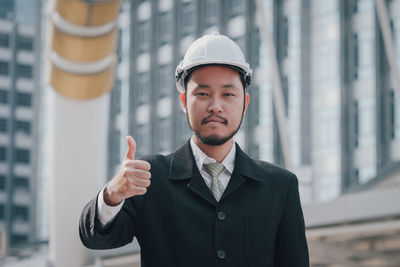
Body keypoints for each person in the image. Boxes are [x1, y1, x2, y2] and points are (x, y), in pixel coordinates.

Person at [79, 32, 309, 267]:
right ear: (183, 102)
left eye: (228, 94)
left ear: (245, 104)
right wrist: (112, 194)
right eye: (202, 93)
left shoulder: (279, 186)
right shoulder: (150, 178)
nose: (215, 106)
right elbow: (96, 238)